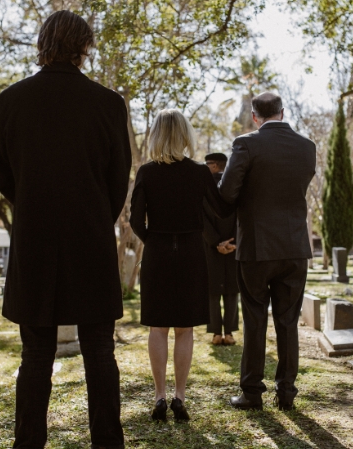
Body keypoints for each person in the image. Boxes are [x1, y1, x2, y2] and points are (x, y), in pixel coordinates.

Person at [0, 10, 131, 449]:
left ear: (43, 43)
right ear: (84, 46)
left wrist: (34, 208)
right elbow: (118, 179)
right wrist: (93, 216)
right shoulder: (108, 103)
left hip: (34, 239)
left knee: (35, 354)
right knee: (100, 352)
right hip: (90, 239)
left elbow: (4, 176)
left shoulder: (11, 100)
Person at [130, 109, 232, 422]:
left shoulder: (146, 172)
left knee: (158, 327)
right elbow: (221, 209)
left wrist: (154, 241)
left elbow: (136, 221)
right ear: (185, 134)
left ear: (156, 135)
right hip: (191, 252)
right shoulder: (200, 172)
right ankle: (180, 397)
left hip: (158, 252)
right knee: (184, 329)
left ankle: (159, 397)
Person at [219, 92, 316, 411]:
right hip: (294, 246)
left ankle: (251, 393)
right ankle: (286, 393)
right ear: (282, 112)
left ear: (254, 116)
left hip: (257, 246)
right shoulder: (307, 146)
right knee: (288, 322)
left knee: (255, 319)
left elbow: (227, 193)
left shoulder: (246, 144)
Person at [202, 153, 240, 346]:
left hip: (211, 247)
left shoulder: (202, 188)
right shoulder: (236, 187)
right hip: (233, 246)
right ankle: (230, 333)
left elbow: (201, 219)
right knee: (232, 291)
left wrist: (216, 242)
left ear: (215, 165)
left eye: (207, 164)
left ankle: (216, 333)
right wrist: (233, 241)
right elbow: (241, 216)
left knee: (213, 291)